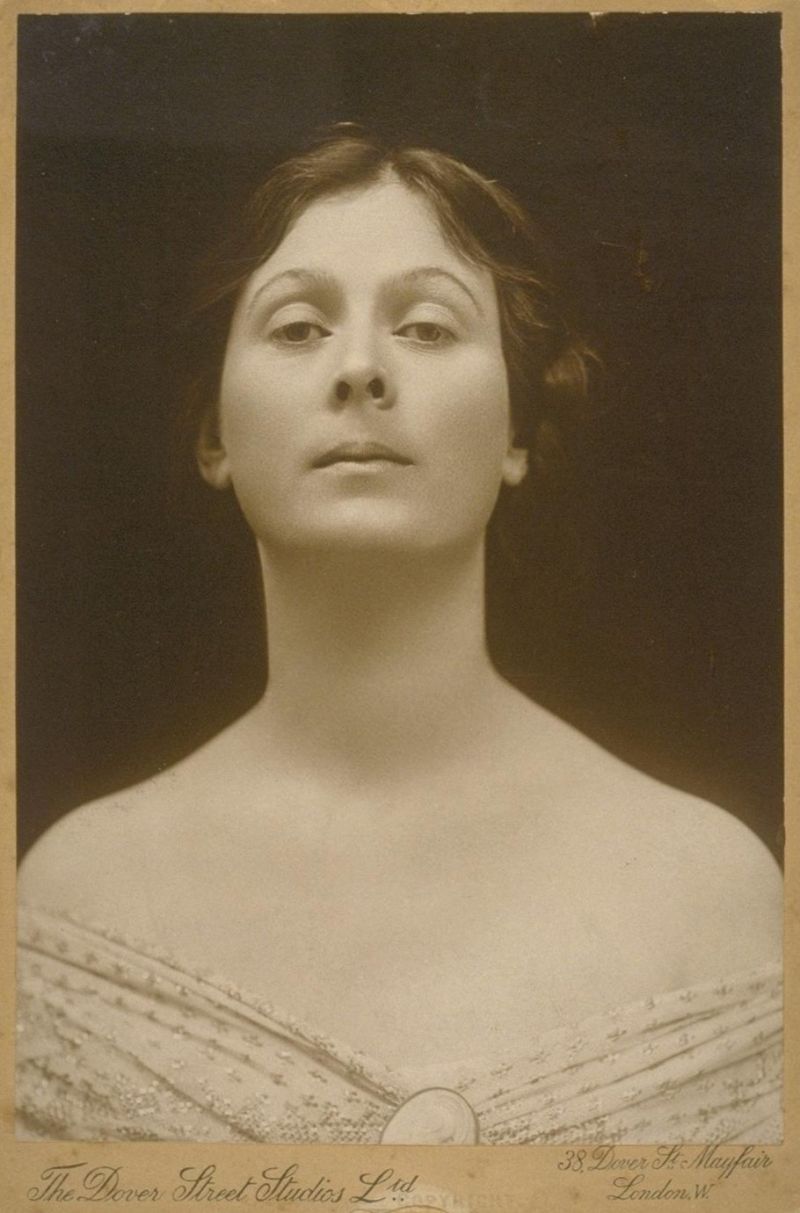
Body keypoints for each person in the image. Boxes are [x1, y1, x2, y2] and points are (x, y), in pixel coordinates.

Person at [16, 129, 782, 1146]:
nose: (360, 371)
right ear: (213, 434)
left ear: (516, 431)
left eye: (425, 327)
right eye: (298, 327)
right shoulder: (75, 903)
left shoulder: (710, 893)